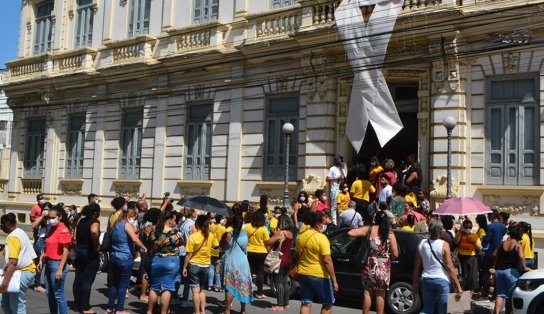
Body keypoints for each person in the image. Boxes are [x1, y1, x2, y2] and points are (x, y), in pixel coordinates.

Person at [348, 211, 398, 314]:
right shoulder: (390, 233)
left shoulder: (369, 229)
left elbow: (350, 233)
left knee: (367, 292)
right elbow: (395, 254)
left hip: (370, 263)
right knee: (380, 294)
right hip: (384, 265)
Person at [106, 198, 147, 314]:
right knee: (123, 285)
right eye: (133, 219)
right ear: (129, 217)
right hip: (125, 258)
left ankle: (109, 307)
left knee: (114, 284)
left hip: (114, 257)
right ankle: (119, 309)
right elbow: (134, 239)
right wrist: (144, 247)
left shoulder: (116, 224)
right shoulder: (126, 225)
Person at [413, 220, 463, 314]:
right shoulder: (444, 245)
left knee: (427, 308)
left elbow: (416, 265)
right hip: (442, 280)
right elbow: (450, 266)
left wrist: (415, 282)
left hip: (426, 279)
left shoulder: (421, 243)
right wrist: (458, 286)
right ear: (440, 231)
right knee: (443, 310)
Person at [296, 212, 338, 314]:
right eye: (323, 223)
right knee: (327, 303)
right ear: (317, 224)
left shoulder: (300, 237)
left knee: (306, 303)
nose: (324, 225)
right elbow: (327, 260)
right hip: (319, 274)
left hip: (303, 272)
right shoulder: (321, 238)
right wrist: (334, 280)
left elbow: (297, 255)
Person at [147, 211, 183, 314]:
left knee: (154, 287)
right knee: (167, 288)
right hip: (171, 261)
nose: (175, 221)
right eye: (174, 219)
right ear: (170, 220)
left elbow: (153, 242)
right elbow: (181, 243)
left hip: (157, 259)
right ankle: (163, 312)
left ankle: (149, 311)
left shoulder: (154, 229)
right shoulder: (176, 231)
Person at [0, 213, 37, 314]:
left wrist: (4, 284)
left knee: (17, 305)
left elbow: (13, 262)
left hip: (22, 272)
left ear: (2, 227)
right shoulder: (19, 231)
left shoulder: (13, 237)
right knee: (4, 302)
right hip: (24, 271)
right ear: (15, 223)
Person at [182, 215, 219, 314]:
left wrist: (184, 267)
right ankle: (203, 311)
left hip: (194, 265)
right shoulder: (211, 235)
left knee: (195, 291)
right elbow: (215, 246)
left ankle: (197, 312)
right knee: (202, 290)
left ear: (197, 224)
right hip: (206, 265)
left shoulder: (193, 236)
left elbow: (188, 254)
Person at [38, 205, 72, 314]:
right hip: (48, 263)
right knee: (50, 294)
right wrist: (41, 258)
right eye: (49, 217)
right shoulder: (52, 228)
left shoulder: (63, 230)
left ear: (60, 217)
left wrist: (60, 268)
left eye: (53, 217)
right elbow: (47, 245)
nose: (50, 220)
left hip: (57, 264)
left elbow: (66, 251)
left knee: (59, 294)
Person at [493, 223, 532, 314]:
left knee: (499, 294)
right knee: (509, 296)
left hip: (499, 271)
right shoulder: (518, 245)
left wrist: (494, 266)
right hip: (510, 272)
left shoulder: (502, 244)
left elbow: (494, 254)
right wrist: (525, 266)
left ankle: (497, 312)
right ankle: (507, 312)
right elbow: (521, 256)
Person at [221, 214, 253, 314]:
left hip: (231, 262)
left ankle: (227, 311)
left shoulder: (228, 234)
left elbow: (222, 246)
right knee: (242, 285)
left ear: (233, 223)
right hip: (243, 262)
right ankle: (243, 310)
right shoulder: (246, 234)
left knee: (230, 287)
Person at [73, 203, 101, 314]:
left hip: (79, 252)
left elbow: (74, 235)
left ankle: (77, 304)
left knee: (78, 278)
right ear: (95, 213)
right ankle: (85, 307)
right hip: (89, 253)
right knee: (87, 281)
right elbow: (94, 231)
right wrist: (96, 246)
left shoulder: (81, 221)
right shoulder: (94, 221)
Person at [266, 214, 294, 311]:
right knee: (285, 281)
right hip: (288, 258)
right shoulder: (290, 233)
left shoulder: (280, 233)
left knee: (278, 281)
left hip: (280, 258)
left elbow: (268, 242)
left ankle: (279, 304)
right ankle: (286, 303)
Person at [244, 210, 270, 299]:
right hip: (262, 252)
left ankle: (247, 291)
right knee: (260, 272)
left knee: (249, 271)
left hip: (250, 250)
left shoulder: (247, 227)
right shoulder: (264, 229)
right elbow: (267, 242)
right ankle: (260, 292)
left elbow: (244, 238)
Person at [482, 209, 506, 299]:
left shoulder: (490, 226)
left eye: (488, 215)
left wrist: (482, 240)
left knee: (486, 274)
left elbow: (486, 240)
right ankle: (495, 294)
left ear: (492, 216)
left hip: (490, 253)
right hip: (500, 254)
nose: (487, 217)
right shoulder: (503, 226)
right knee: (497, 274)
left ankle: (485, 294)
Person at [455, 219, 482, 298]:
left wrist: (473, 242)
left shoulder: (474, 236)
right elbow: (456, 242)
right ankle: (461, 296)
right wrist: (460, 231)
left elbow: (480, 248)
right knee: (463, 278)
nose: (468, 229)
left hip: (472, 257)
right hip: (461, 258)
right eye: (466, 227)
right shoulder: (460, 234)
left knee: (472, 278)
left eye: (470, 227)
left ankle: (469, 298)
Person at [30, 197, 48, 293]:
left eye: (48, 209)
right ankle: (37, 284)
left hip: (48, 243)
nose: (46, 211)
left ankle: (47, 283)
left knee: (47, 264)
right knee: (40, 263)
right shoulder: (40, 218)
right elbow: (33, 225)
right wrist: (41, 216)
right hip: (40, 242)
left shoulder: (51, 219)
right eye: (44, 209)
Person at [208, 214, 226, 292]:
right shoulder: (223, 228)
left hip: (212, 247)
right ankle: (217, 285)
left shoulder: (211, 226)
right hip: (219, 248)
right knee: (217, 268)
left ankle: (210, 284)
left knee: (211, 266)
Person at [327, 156, 345, 225]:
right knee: (334, 206)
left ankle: (341, 221)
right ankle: (334, 222)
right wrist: (336, 178)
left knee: (342, 205)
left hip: (342, 190)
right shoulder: (332, 169)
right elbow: (327, 179)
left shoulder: (343, 170)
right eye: (341, 161)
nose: (342, 163)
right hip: (335, 190)